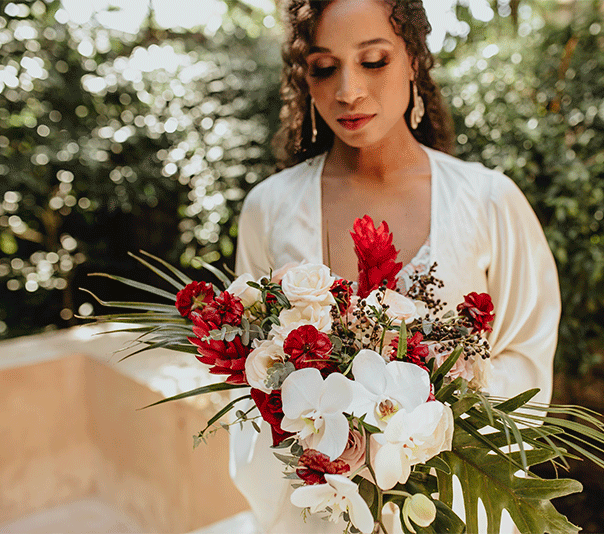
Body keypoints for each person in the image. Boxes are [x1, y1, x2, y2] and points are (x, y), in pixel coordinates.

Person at [229, 0, 561, 532]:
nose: (349, 91)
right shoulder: (269, 209)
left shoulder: (490, 203)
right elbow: (247, 376)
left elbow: (526, 356)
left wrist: (416, 440)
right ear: (305, 79)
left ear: (414, 60)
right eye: (324, 67)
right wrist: (329, 453)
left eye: (374, 60)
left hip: (452, 510)